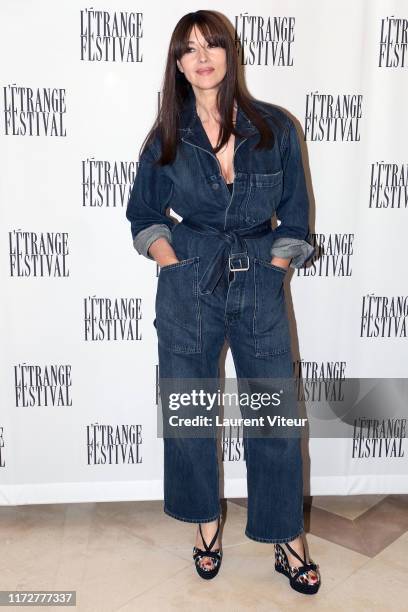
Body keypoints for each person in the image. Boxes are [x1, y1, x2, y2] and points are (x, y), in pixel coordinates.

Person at [126, 10, 321, 595]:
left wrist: (276, 268)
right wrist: (173, 263)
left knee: (275, 420)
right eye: (188, 49)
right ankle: (204, 527)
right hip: (189, 284)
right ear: (178, 64)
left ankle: (288, 539)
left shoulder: (276, 127)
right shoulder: (166, 134)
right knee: (190, 416)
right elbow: (143, 217)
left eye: (211, 43)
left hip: (259, 285)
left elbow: (297, 214)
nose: (201, 55)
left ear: (230, 53)